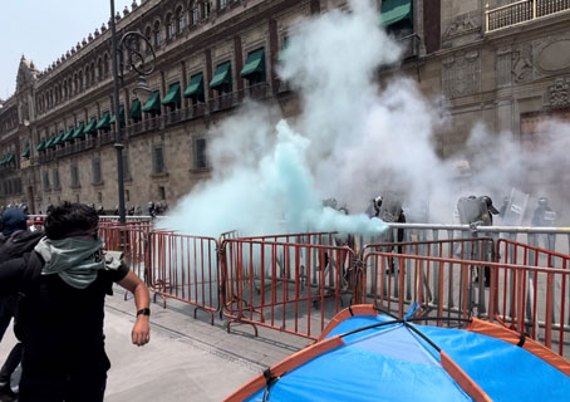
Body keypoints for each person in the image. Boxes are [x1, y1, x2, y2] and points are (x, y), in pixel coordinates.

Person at [0, 203, 151, 402]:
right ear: (66, 239)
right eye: (89, 233)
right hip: (42, 373)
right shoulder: (30, 265)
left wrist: (143, 317)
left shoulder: (101, 263)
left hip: (88, 369)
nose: (96, 238)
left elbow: (138, 285)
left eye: (96, 231)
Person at [0, 208, 44, 400]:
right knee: (28, 339)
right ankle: (4, 379)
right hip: (20, 299)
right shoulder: (32, 241)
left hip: (4, 298)